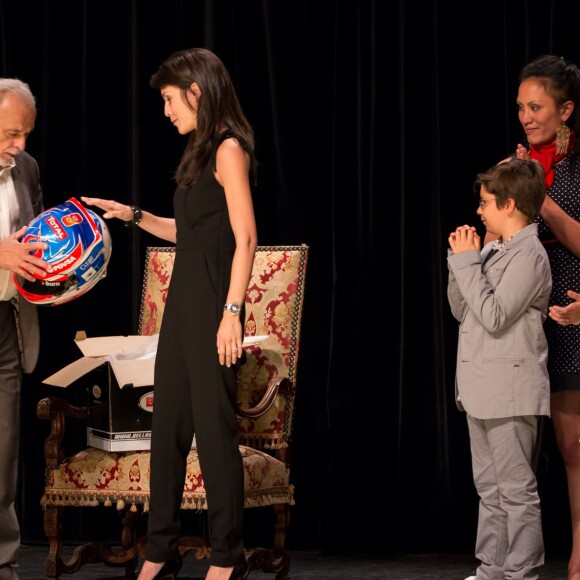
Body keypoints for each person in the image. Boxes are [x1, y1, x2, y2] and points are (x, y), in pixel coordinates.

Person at [82, 47, 258, 580]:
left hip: (213, 301)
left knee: (213, 428)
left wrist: (231, 313)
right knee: (170, 429)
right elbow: (190, 232)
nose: (165, 110)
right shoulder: (198, 155)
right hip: (183, 300)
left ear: (197, 91)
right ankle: (159, 551)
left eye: (168, 98)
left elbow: (245, 237)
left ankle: (227, 556)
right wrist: (133, 215)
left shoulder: (229, 149)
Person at [447, 158, 552, 580]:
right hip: (479, 387)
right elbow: (461, 310)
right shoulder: (494, 249)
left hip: (509, 390)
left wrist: (469, 264)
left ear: (509, 205)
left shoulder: (530, 255)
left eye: (486, 202)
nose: (479, 210)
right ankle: (491, 569)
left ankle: (521, 572)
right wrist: (462, 262)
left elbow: (494, 315)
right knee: (489, 490)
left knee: (515, 491)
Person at [503, 54, 580, 580]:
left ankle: (579, 553)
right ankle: (514, 558)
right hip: (529, 311)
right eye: (520, 108)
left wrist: (542, 198)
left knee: (573, 445)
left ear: (565, 110)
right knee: (532, 444)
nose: (527, 117)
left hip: (573, 305)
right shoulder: (516, 164)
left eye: (537, 107)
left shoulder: (575, 166)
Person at [0, 79, 51, 580]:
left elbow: (34, 239)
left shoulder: (28, 168)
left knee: (4, 450)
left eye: (26, 134)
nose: (21, 146)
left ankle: (3, 563)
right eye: (11, 135)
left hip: (7, 324)